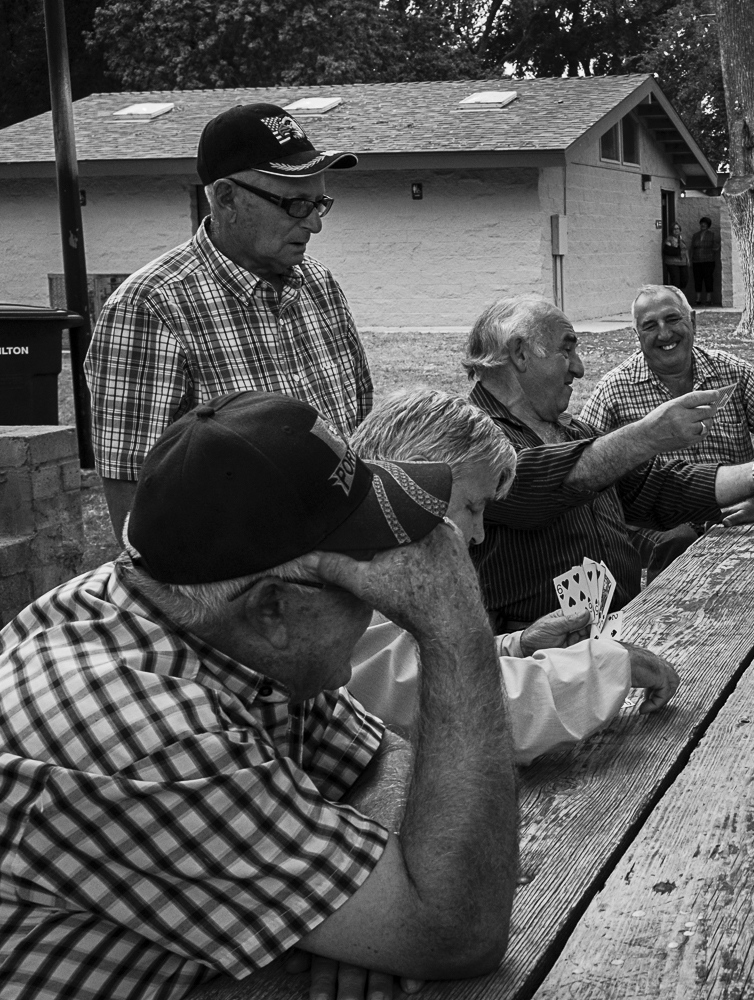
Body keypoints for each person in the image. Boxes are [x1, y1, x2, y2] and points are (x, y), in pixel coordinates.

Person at [0, 390, 518, 998]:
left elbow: (377, 758)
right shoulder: (151, 732)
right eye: (365, 581)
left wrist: (363, 901)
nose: (380, 601)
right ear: (273, 608)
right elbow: (459, 932)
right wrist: (454, 627)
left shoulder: (202, 614)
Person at [85, 102, 371, 541]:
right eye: (296, 204)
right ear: (226, 198)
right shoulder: (152, 307)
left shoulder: (319, 284)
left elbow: (360, 428)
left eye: (319, 203)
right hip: (242, 575)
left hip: (347, 547)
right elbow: (134, 500)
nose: (315, 224)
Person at [346, 388, 680, 763]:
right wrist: (611, 666)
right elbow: (467, 709)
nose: (478, 533)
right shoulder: (348, 580)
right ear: (416, 478)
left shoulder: (369, 554)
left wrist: (518, 646)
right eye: (472, 506)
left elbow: (411, 661)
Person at [464, 298, 754, 630]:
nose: (579, 368)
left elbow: (659, 487)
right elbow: (533, 481)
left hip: (611, 635)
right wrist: (649, 435)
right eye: (567, 350)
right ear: (520, 353)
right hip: (531, 655)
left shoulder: (568, 430)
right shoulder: (468, 437)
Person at [579, 284, 754, 573]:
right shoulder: (614, 389)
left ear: (692, 321)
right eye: (650, 326)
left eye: (672, 319)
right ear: (636, 335)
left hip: (729, 511)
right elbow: (583, 461)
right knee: (677, 540)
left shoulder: (731, 372)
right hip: (656, 521)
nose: (664, 334)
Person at [689, 216, 720, 306]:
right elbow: (692, 248)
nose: (703, 225)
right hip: (696, 260)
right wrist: (690, 259)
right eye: (702, 223)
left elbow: (716, 246)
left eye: (705, 224)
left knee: (708, 279)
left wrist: (712, 250)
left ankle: (708, 299)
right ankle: (698, 299)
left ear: (708, 225)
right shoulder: (695, 235)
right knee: (697, 279)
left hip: (708, 260)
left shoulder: (712, 235)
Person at [662, 220, 691, 297]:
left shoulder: (682, 239)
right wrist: (676, 244)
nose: (676, 230)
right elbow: (669, 250)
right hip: (673, 263)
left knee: (684, 279)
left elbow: (685, 249)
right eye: (674, 229)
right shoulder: (669, 239)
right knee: (676, 281)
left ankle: (682, 296)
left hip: (683, 262)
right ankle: (675, 297)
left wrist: (688, 260)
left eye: (678, 228)